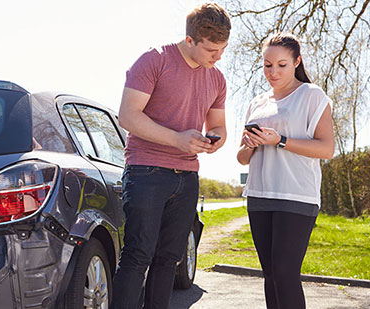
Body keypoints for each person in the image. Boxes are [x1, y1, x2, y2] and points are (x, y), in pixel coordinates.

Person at [111, 3, 231, 308]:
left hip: (187, 177)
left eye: (223, 49)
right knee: (138, 254)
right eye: (212, 50)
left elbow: (217, 124)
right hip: (146, 172)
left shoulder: (216, 79)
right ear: (190, 40)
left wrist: (216, 140)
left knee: (169, 259)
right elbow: (128, 116)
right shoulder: (154, 60)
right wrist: (178, 139)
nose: (218, 57)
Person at [237, 32, 335, 309]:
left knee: (285, 272)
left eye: (281, 64)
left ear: (296, 62)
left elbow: (326, 149)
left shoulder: (312, 95)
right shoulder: (257, 103)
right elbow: (242, 158)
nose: (273, 71)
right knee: (270, 275)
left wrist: (279, 140)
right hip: (259, 194)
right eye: (268, 65)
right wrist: (252, 144)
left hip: (297, 195)